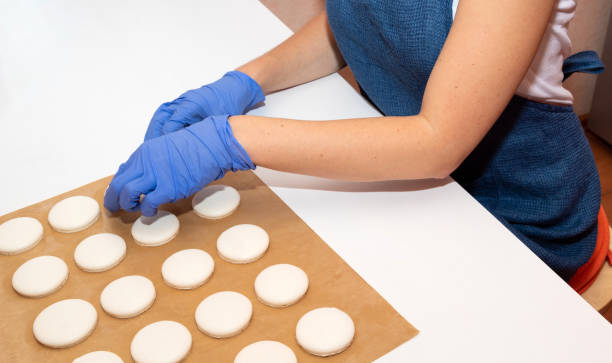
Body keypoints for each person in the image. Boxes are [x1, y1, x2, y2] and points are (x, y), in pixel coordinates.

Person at [104, 0, 605, 283]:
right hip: (413, 184)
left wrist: (230, 141)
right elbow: (352, 21)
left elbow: (437, 142)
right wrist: (243, 83)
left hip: (517, 213)